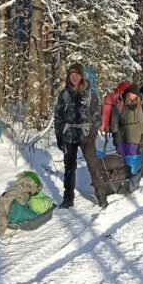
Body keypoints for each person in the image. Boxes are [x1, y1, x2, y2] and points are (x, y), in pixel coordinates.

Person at [54, 62, 101, 208]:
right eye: (71, 75)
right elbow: (58, 116)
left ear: (82, 76)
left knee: (93, 165)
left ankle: (101, 195)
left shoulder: (90, 93)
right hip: (68, 134)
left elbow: (96, 116)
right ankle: (68, 198)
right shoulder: (64, 94)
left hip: (86, 134)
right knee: (69, 167)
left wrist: (92, 135)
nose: (74, 77)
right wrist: (59, 136)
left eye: (77, 74)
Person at [110, 83, 143, 156]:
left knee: (132, 158)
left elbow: (142, 121)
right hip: (122, 136)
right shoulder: (120, 105)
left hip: (136, 137)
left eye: (135, 94)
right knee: (121, 158)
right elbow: (114, 121)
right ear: (128, 93)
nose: (133, 95)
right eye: (132, 93)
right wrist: (115, 134)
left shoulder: (138, 106)